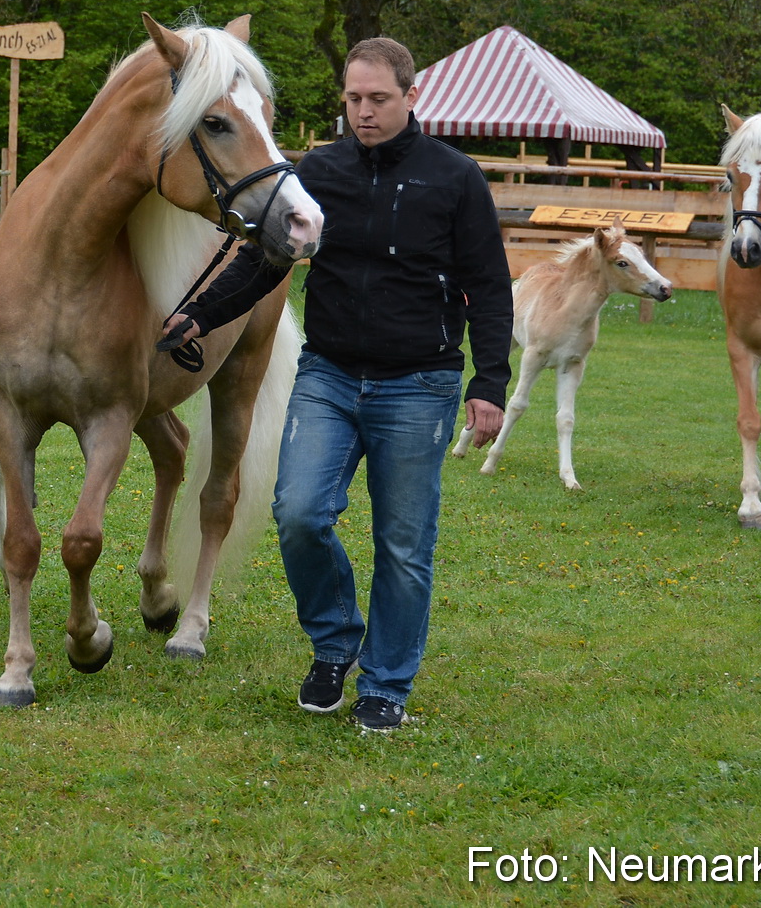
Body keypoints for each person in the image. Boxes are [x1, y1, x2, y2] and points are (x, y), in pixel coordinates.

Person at [159, 37, 512, 732]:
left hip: (420, 384)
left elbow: (489, 286)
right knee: (298, 513)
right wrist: (199, 312)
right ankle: (333, 642)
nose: (364, 112)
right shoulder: (317, 171)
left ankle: (385, 682)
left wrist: (490, 381)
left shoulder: (455, 178)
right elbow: (263, 263)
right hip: (329, 376)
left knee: (403, 544)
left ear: (412, 97)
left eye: (378, 99)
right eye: (353, 99)